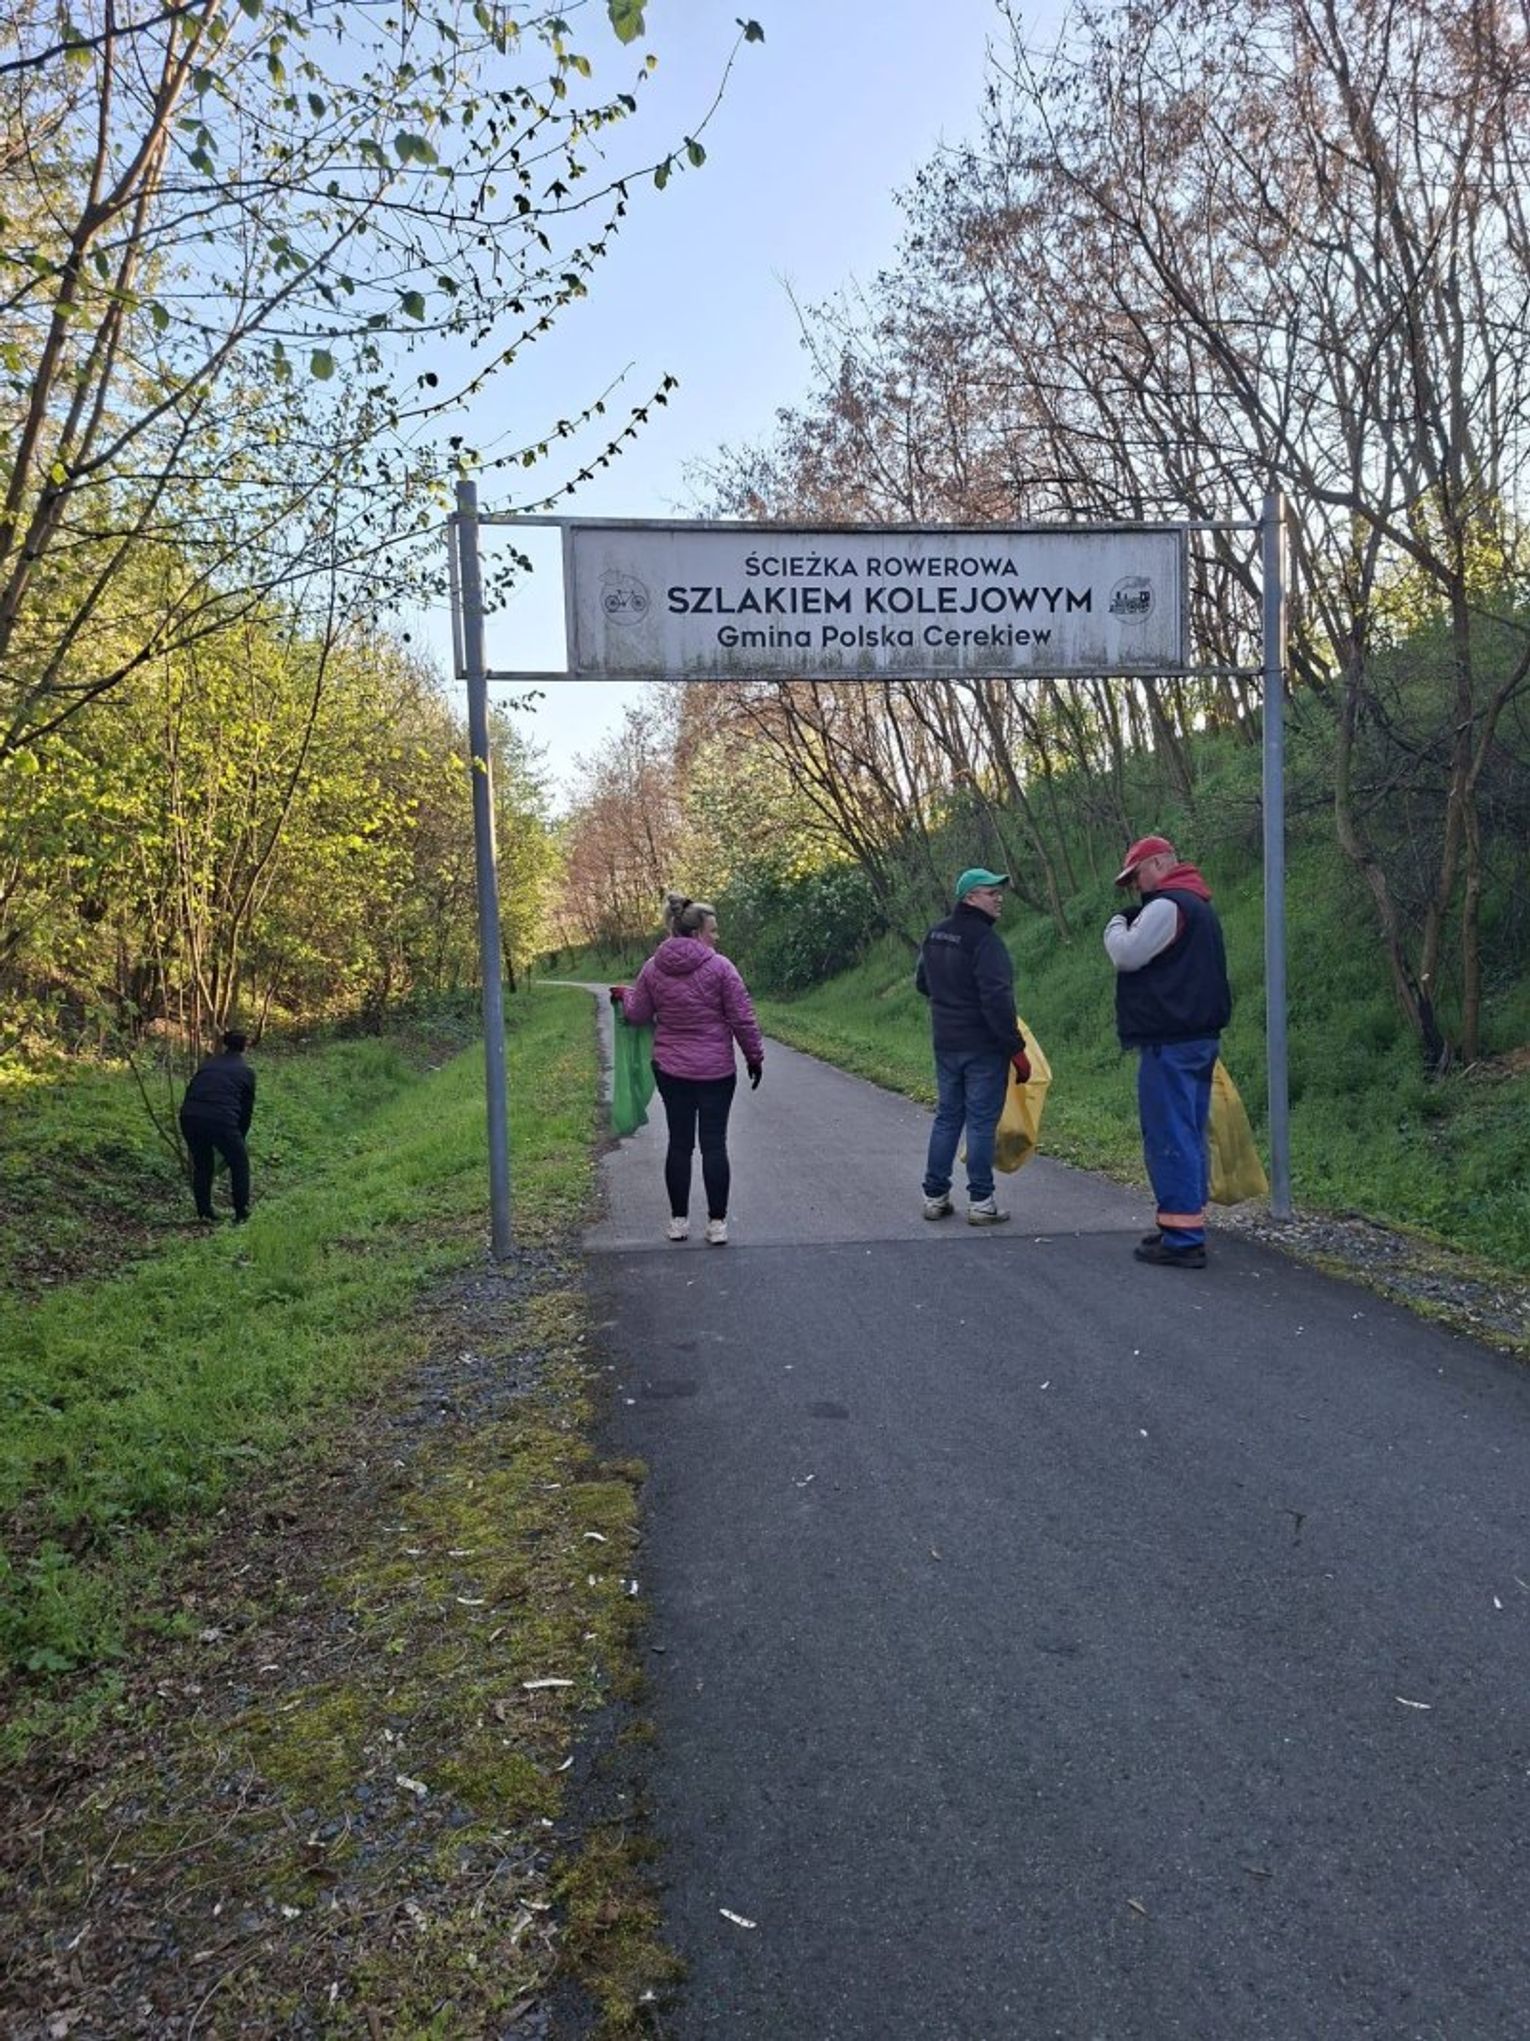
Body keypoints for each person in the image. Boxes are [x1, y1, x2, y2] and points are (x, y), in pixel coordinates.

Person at [1104, 835, 1232, 1268]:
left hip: (1170, 1041)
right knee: (1189, 1131)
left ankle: (1182, 1238)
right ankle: (1185, 1220)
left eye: (1136, 876)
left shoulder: (1168, 905)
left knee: (1169, 1134)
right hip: (1198, 1037)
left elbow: (1127, 954)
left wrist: (1116, 925)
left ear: (1158, 864)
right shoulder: (1200, 906)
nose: (1134, 888)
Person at [618, 893, 764, 1246]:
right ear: (697, 932)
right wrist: (754, 1057)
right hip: (716, 1072)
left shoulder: (652, 968)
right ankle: (717, 1225)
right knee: (714, 1145)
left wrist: (624, 996)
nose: (717, 936)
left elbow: (637, 1014)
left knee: (679, 1144)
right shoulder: (722, 968)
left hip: (671, 1071)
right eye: (713, 930)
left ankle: (678, 1222)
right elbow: (742, 1018)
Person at [915, 868, 1030, 1226]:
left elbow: (922, 983)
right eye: (990, 893)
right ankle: (981, 1202)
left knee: (948, 1117)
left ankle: (935, 1197)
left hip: (946, 1043)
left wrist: (949, 998)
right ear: (970, 898)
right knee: (980, 1122)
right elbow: (997, 1000)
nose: (999, 898)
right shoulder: (986, 942)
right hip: (983, 1047)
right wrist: (1016, 1050)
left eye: (999, 892)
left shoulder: (935, 934)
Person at [179, 1029, 257, 1225]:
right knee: (239, 1163)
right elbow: (246, 1111)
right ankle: (241, 1213)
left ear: (224, 1044)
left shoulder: (207, 1065)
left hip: (190, 1116)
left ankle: (204, 1212)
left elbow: (191, 1091)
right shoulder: (246, 1072)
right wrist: (240, 1137)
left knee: (203, 1164)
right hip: (221, 1118)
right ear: (245, 1047)